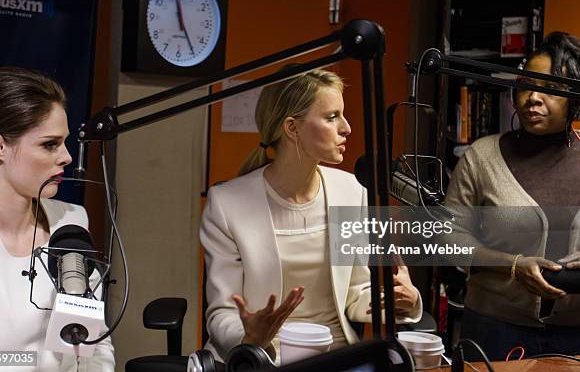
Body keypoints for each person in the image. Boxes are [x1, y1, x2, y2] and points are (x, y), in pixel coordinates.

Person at [200, 68, 423, 363]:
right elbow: (222, 312)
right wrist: (249, 338)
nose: (347, 128)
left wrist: (401, 301)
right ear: (292, 128)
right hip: (265, 358)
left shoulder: (352, 191)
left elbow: (357, 293)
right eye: (332, 117)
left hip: (336, 356)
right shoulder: (227, 204)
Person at [0, 67, 115, 371]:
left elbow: (96, 345)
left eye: (64, 142)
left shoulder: (72, 222)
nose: (67, 157)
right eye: (49, 144)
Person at [444, 31, 580, 360]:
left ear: (574, 99)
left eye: (550, 89)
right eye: (526, 84)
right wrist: (512, 265)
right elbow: (447, 239)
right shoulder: (481, 157)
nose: (533, 97)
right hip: (494, 331)